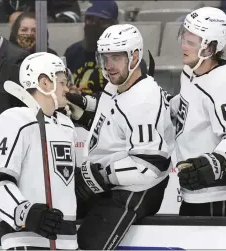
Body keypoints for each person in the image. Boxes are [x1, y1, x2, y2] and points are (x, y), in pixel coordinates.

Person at [75, 24, 174, 250]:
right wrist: (82, 105)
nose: (108, 66)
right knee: (60, 216)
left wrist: (101, 176)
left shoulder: (144, 101)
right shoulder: (117, 84)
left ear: (135, 57)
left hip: (135, 190)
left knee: (89, 244)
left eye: (116, 58)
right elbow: (110, 111)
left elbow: (149, 166)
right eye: (105, 58)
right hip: (108, 181)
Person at [0, 52, 78, 250]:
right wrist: (26, 214)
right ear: (45, 83)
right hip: (25, 241)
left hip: (67, 242)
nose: (67, 88)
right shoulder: (15, 120)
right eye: (62, 82)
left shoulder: (66, 126)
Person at [172, 7, 226, 216]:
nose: (183, 46)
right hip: (194, 191)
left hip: (219, 196)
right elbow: (187, 106)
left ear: (210, 48)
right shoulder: (191, 70)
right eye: (184, 38)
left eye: (191, 43)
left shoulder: (225, 84)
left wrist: (217, 161)